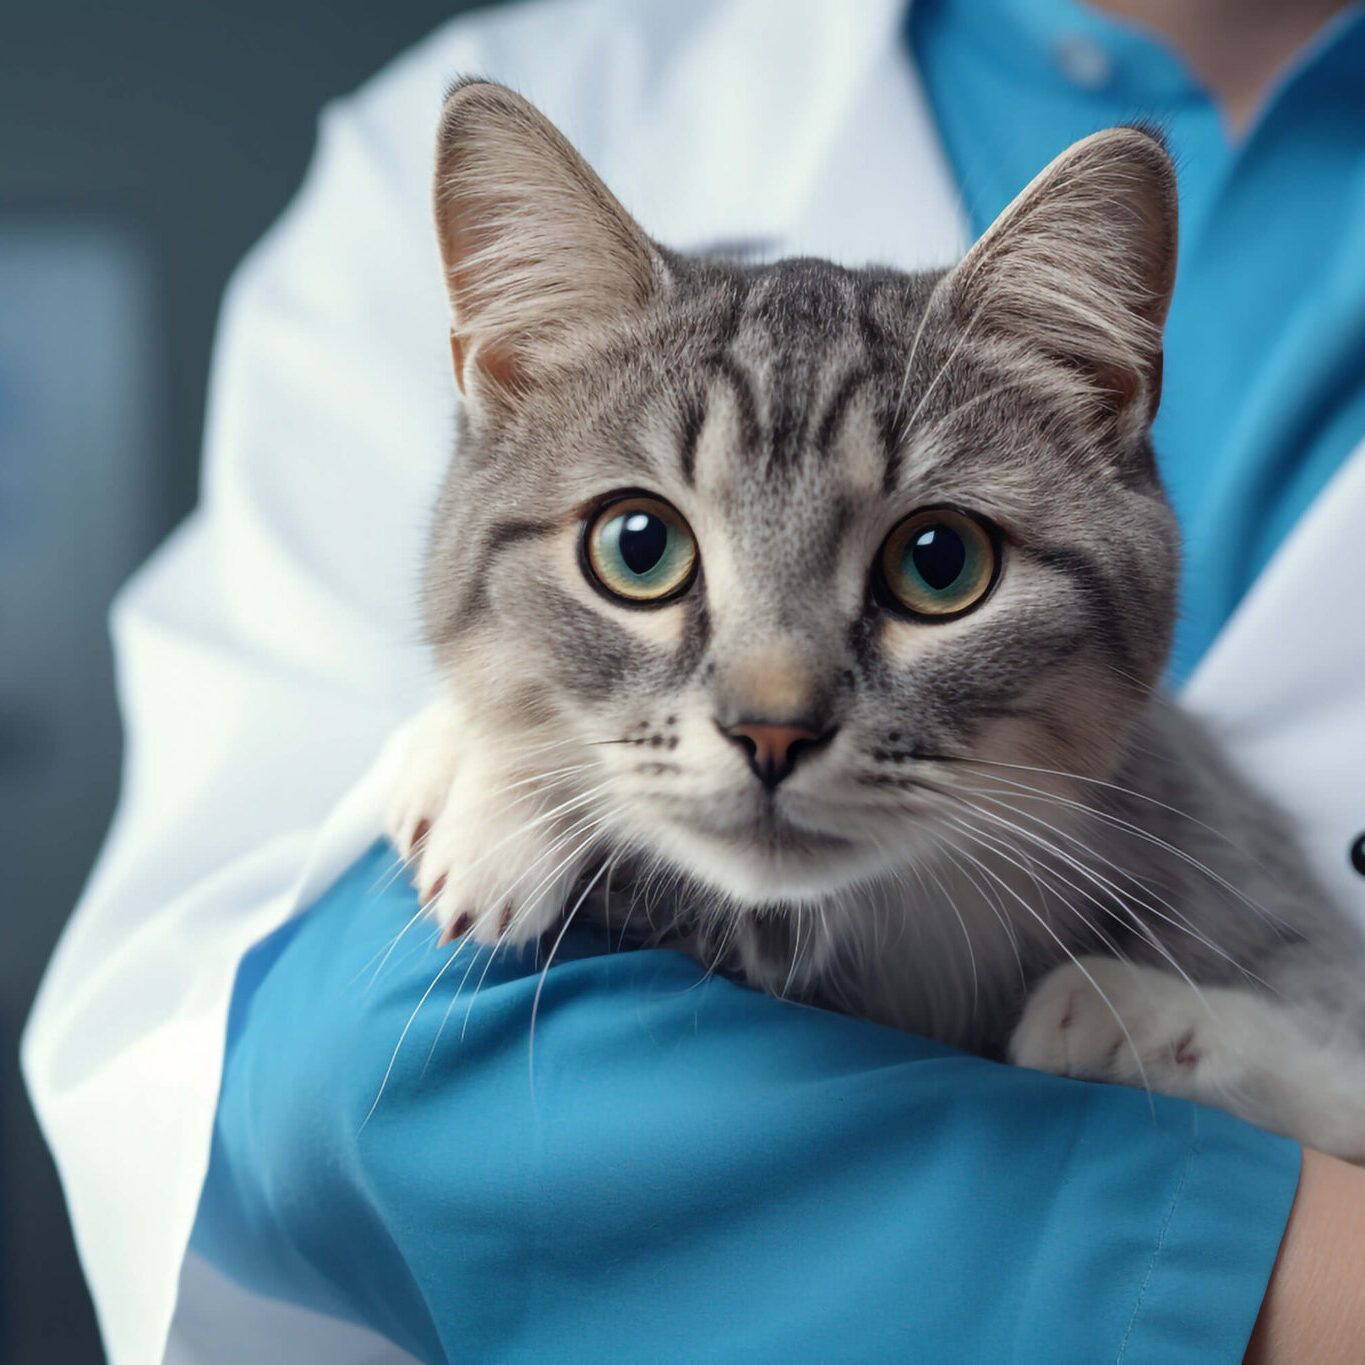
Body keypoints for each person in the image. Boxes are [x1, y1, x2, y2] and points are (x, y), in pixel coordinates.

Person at [23, 0, 1365, 1359]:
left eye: (936, 562)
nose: (772, 709)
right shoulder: (576, 86)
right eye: (643, 546)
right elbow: (310, 1072)